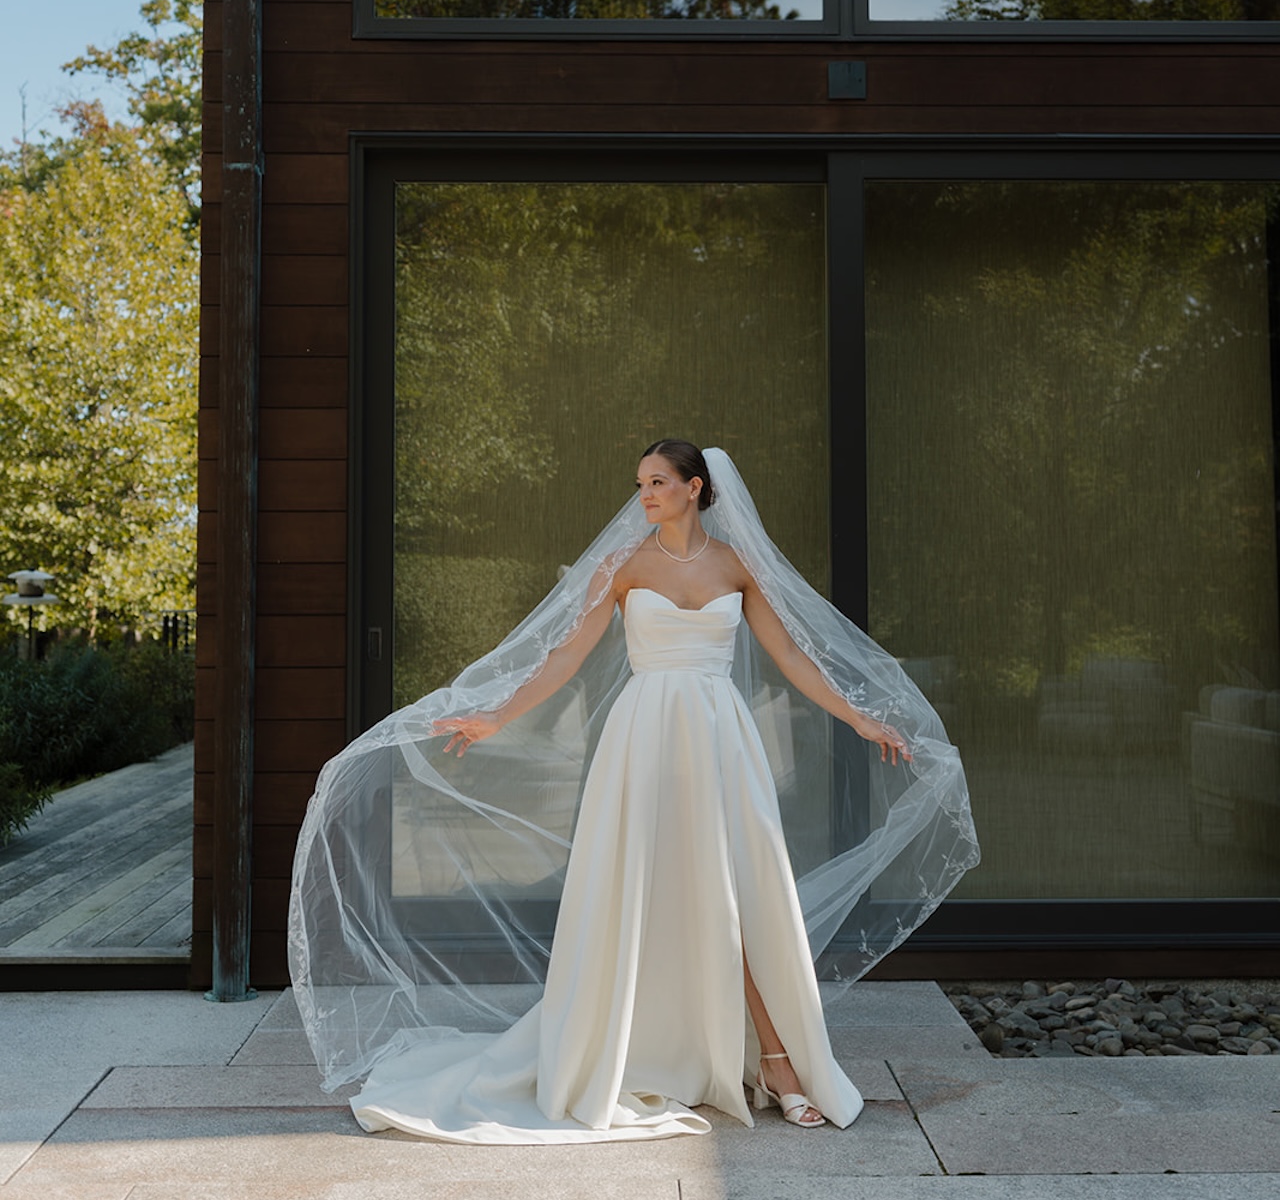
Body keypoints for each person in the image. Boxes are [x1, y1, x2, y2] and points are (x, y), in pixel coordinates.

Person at [289, 442, 978, 1145]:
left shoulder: (737, 566)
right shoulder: (621, 566)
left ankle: (777, 1061)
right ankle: (657, 1050)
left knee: (735, 897)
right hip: (644, 739)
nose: (644, 494)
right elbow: (567, 654)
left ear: (694, 488)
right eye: (641, 483)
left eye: (657, 482)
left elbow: (793, 658)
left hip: (721, 742)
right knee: (646, 892)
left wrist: (860, 718)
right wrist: (498, 715)